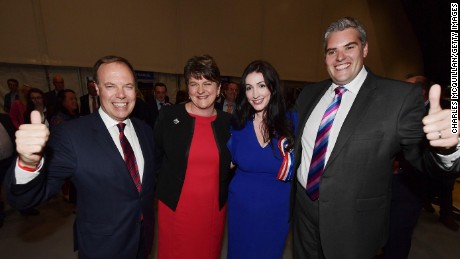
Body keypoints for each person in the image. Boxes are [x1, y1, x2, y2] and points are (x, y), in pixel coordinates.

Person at [291, 17, 460, 259]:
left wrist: (446, 149)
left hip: (353, 227)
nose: (340, 57)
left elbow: (423, 160)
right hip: (303, 214)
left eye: (349, 47)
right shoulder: (309, 94)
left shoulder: (398, 98)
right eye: (332, 51)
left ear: (365, 48)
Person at [5, 55, 157, 259]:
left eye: (128, 86)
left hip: (143, 239)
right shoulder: (71, 135)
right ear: (96, 88)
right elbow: (25, 198)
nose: (121, 94)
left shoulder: (145, 130)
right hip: (103, 247)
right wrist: (28, 164)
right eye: (111, 85)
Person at [154, 54, 232, 259]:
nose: (200, 90)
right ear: (187, 87)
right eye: (194, 83)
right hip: (175, 208)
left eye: (207, 83)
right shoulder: (169, 117)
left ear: (218, 88)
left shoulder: (229, 123)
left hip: (212, 210)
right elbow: (155, 157)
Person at [227, 60, 297, 259]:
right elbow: (225, 162)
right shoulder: (237, 125)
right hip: (241, 208)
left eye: (261, 86)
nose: (255, 94)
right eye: (249, 88)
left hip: (277, 209)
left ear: (272, 87)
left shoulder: (293, 122)